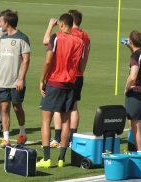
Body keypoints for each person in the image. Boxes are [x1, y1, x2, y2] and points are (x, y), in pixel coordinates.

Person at [36, 13, 84, 168]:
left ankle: (47, 159)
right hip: (71, 83)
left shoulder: (56, 37)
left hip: (54, 82)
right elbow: (81, 66)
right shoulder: (79, 41)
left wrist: (41, 79)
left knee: (46, 120)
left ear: (62, 24)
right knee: (65, 121)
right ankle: (62, 159)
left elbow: (48, 60)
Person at [43, 10, 91, 148]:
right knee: (73, 108)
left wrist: (50, 26)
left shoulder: (68, 34)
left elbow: (46, 41)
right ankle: (72, 139)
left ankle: (57, 139)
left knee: (58, 109)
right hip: (78, 75)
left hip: (63, 76)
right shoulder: (85, 36)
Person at [0, 10, 31, 149]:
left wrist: (21, 78)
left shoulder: (22, 38)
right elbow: (1, 60)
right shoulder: (3, 38)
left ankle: (22, 133)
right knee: (4, 108)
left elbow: (26, 60)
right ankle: (6, 139)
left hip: (16, 81)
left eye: (1, 21)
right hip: (3, 80)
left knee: (17, 107)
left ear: (7, 23)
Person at [123, 30, 141, 164]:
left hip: (136, 93)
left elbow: (133, 75)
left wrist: (127, 87)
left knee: (135, 126)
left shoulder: (135, 56)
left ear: (131, 41)